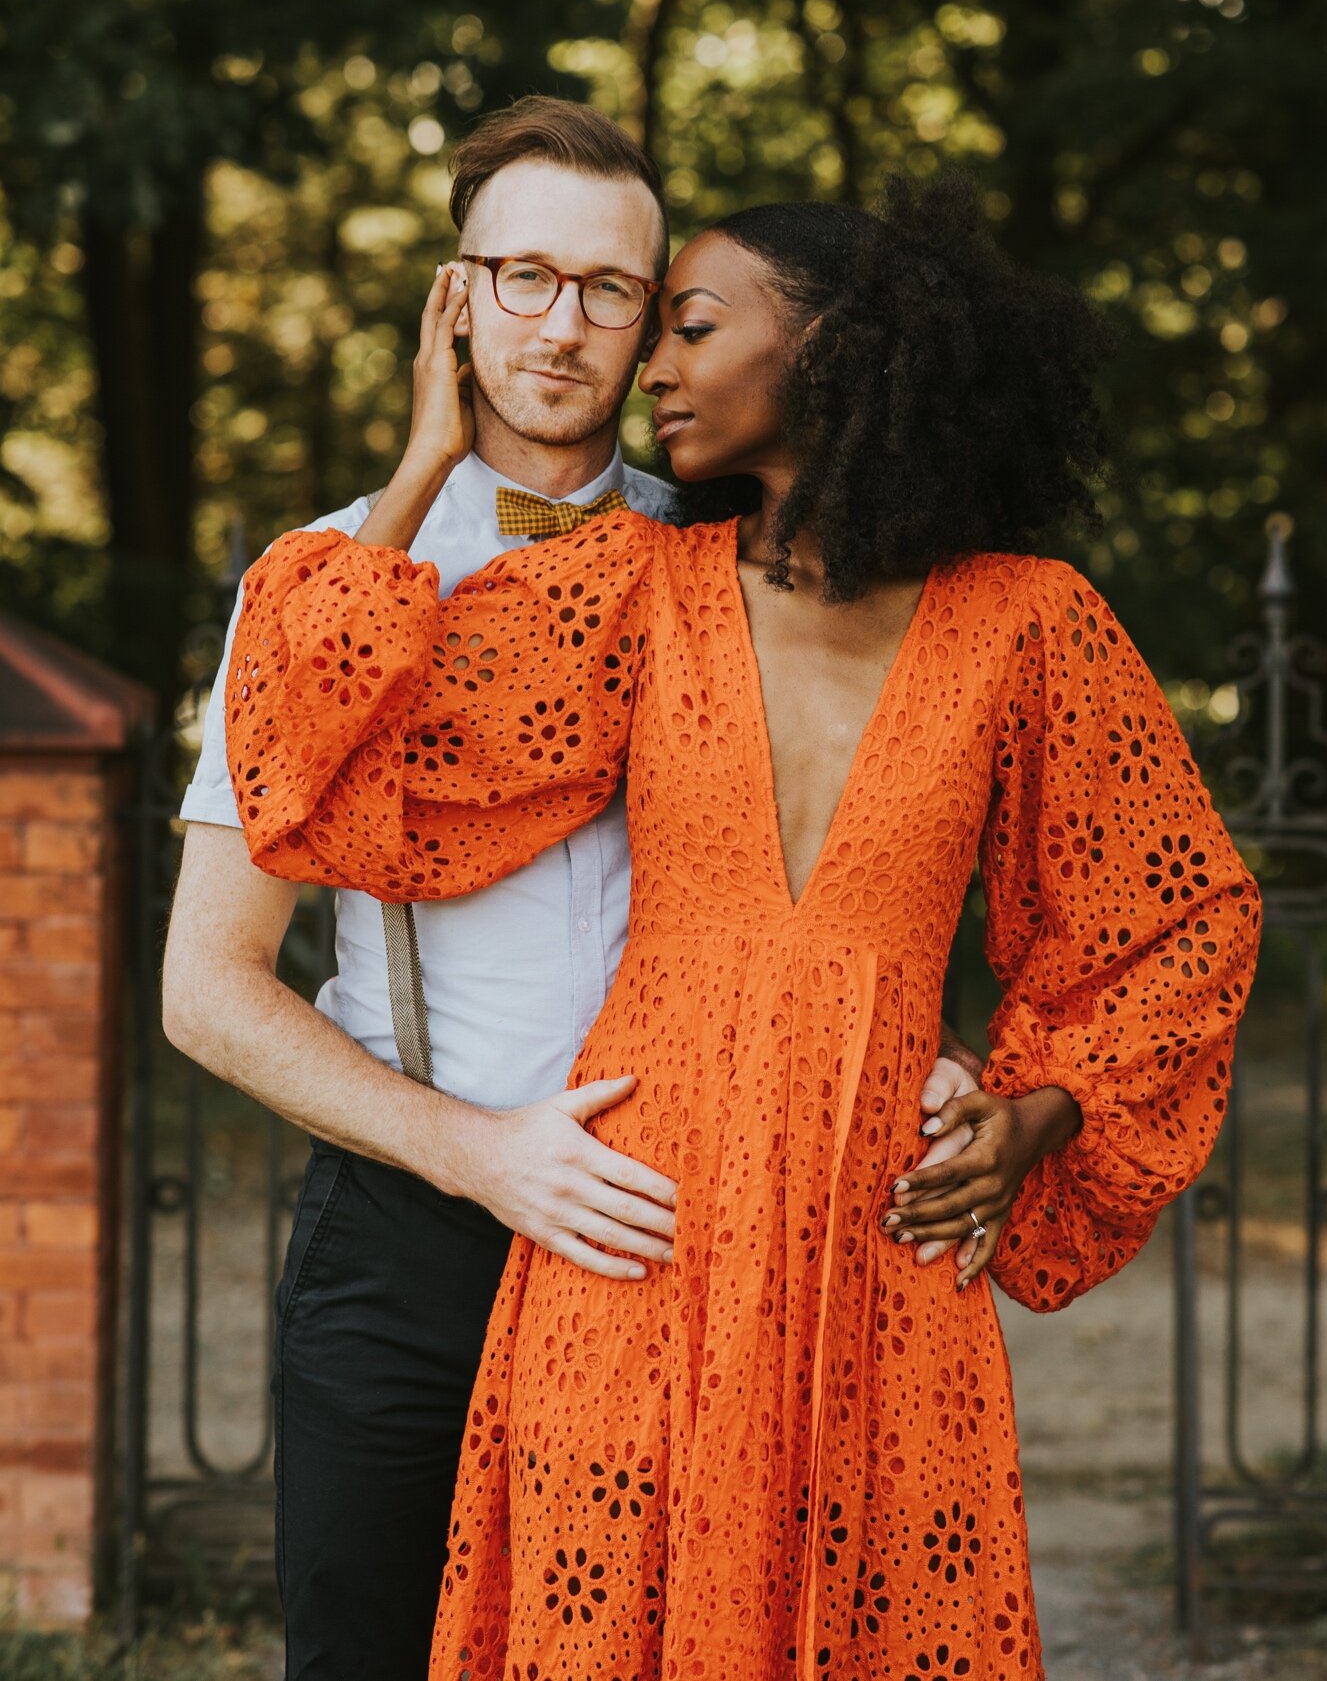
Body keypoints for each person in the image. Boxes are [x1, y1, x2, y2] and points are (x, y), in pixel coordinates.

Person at [223, 178, 1261, 1679]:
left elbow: (1180, 923)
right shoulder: (636, 588)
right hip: (629, 1224)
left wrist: (1038, 1106)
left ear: (833, 351)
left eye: (691, 325)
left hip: (881, 1246)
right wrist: (421, 466)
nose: (653, 367)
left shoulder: (1034, 622)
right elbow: (309, 749)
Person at [163, 99, 992, 1680]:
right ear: (454, 294)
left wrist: (927, 1043)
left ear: (652, 321)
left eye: (612, 289)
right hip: (408, 1237)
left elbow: (883, 833)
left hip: (687, 1243)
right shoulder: (321, 578)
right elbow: (206, 990)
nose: (565, 324)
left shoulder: (748, 561)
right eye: (524, 275)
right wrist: (481, 1156)